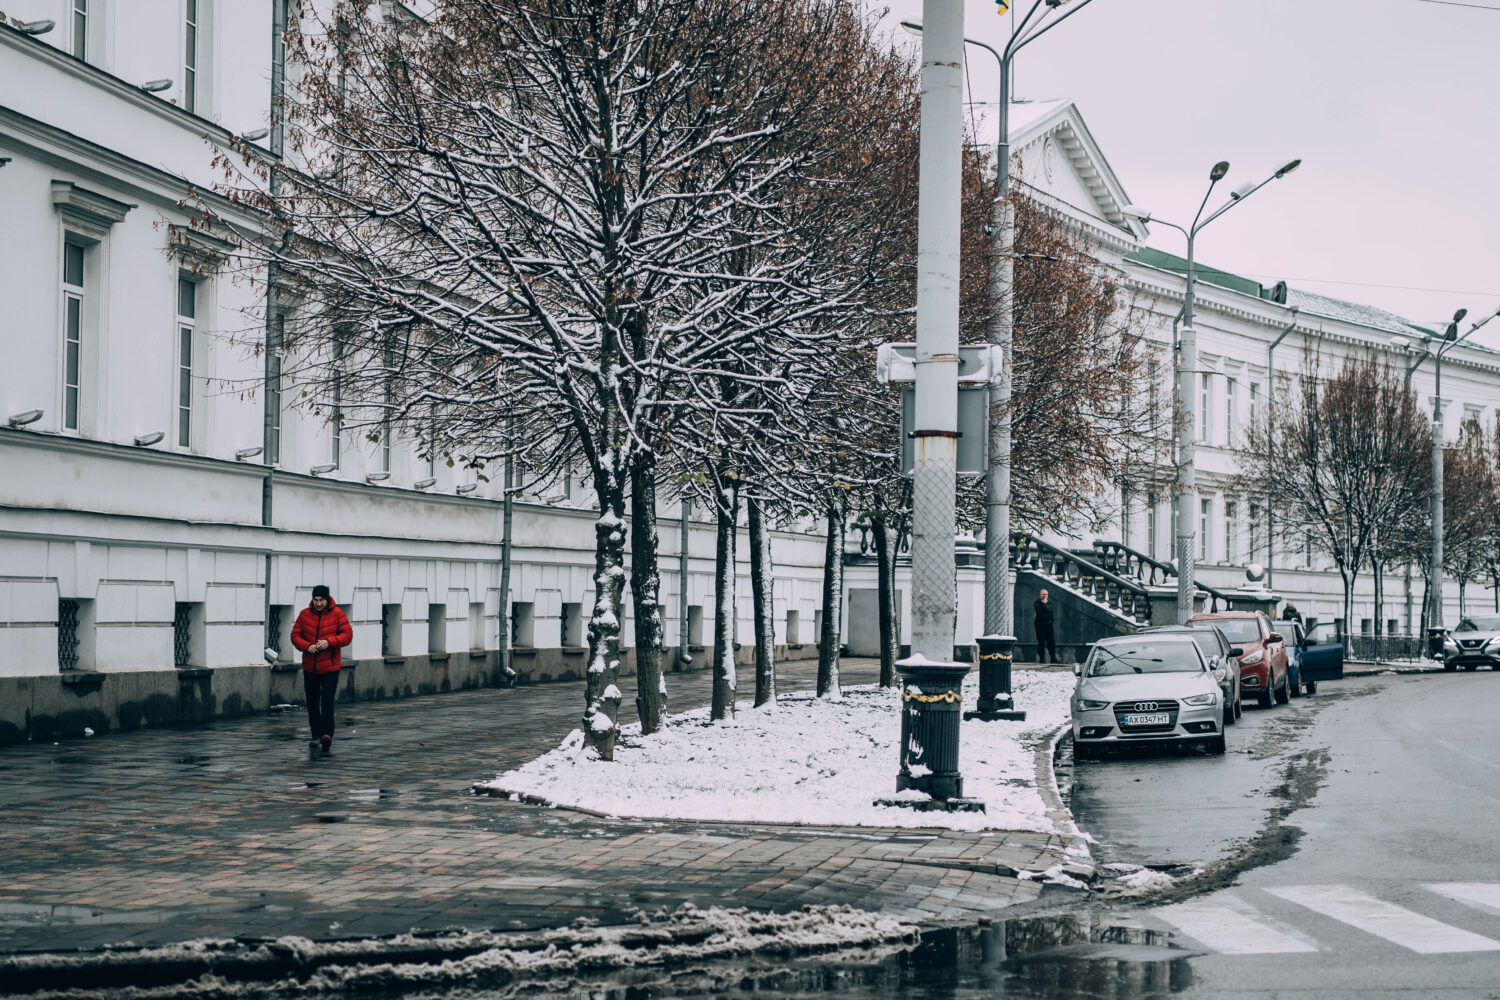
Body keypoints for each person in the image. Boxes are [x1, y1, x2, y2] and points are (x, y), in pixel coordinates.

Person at [291, 585, 352, 752]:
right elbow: (295, 636)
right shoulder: (304, 614)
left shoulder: (338, 614)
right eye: (315, 600)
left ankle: (327, 734)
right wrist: (307, 646)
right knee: (311, 701)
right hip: (310, 667)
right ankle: (315, 734)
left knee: (327, 700)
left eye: (321, 600)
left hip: (330, 667)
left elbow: (347, 636)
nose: (318, 603)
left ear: (327, 599)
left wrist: (329, 642)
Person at [1033, 589, 1057, 665]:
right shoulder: (1037, 603)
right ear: (1040, 595)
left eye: (1046, 594)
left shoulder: (1050, 603)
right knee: (1041, 642)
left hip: (1049, 625)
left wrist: (1051, 619)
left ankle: (1053, 657)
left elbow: (1051, 612)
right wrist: (1044, 605)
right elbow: (1039, 612)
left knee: (1051, 642)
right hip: (1040, 625)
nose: (1045, 596)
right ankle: (1042, 658)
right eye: (1043, 594)